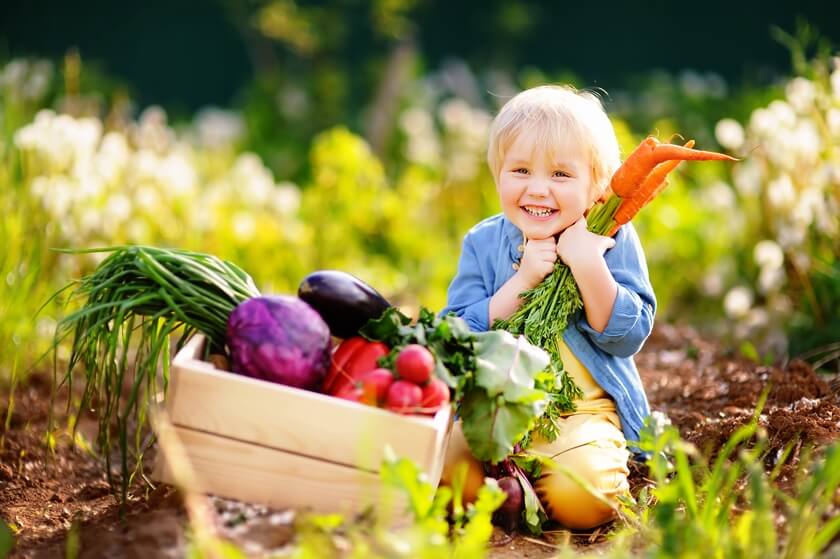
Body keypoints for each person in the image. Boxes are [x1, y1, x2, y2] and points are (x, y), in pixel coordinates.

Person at [440, 85, 655, 530]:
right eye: (520, 170)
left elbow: (627, 335)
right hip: (494, 410)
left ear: (596, 184)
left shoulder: (611, 238)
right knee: (440, 469)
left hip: (579, 415)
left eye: (560, 175)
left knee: (586, 497)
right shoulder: (482, 242)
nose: (537, 190)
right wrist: (521, 282)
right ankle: (516, 489)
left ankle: (534, 489)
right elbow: (454, 336)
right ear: (497, 174)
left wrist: (588, 263)